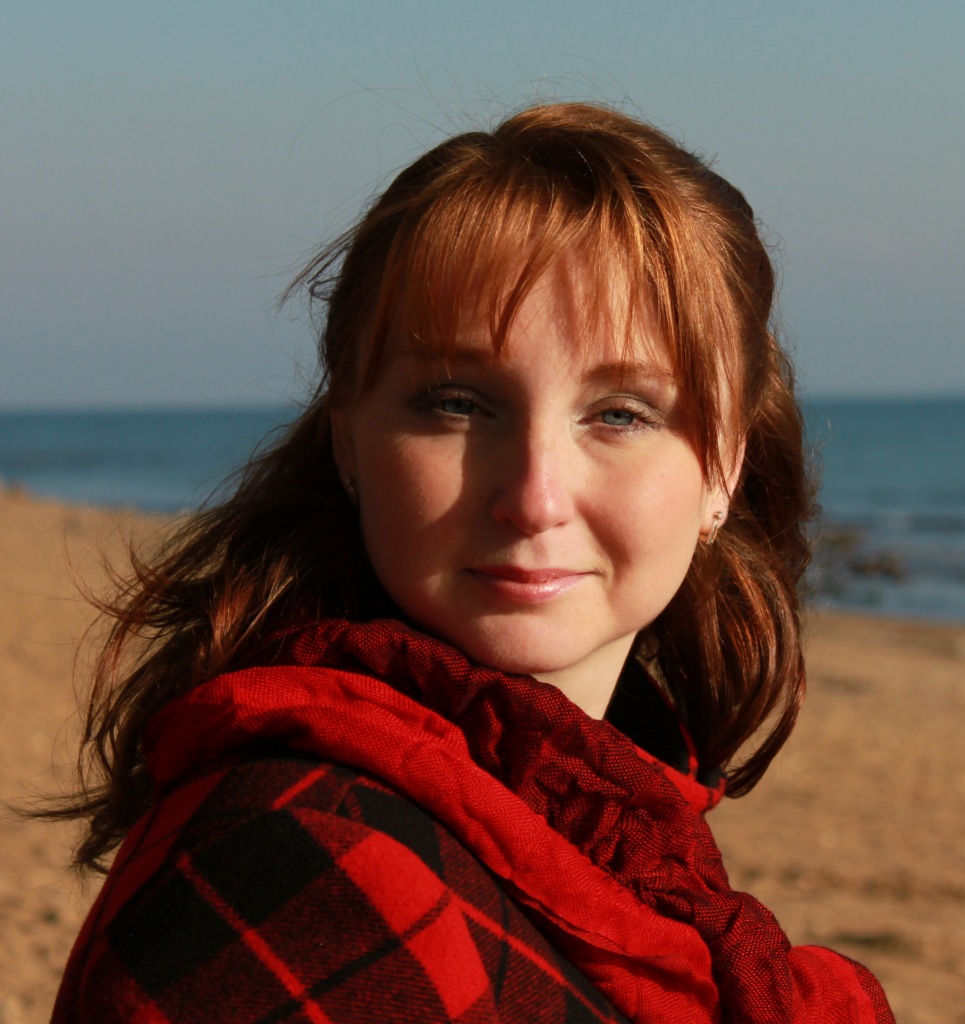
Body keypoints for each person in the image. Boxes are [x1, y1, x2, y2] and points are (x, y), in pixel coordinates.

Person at [51, 102, 894, 1022]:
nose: (534, 497)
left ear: (722, 466)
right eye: (457, 403)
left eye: (619, 414)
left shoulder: (615, 828)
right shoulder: (297, 865)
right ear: (348, 440)